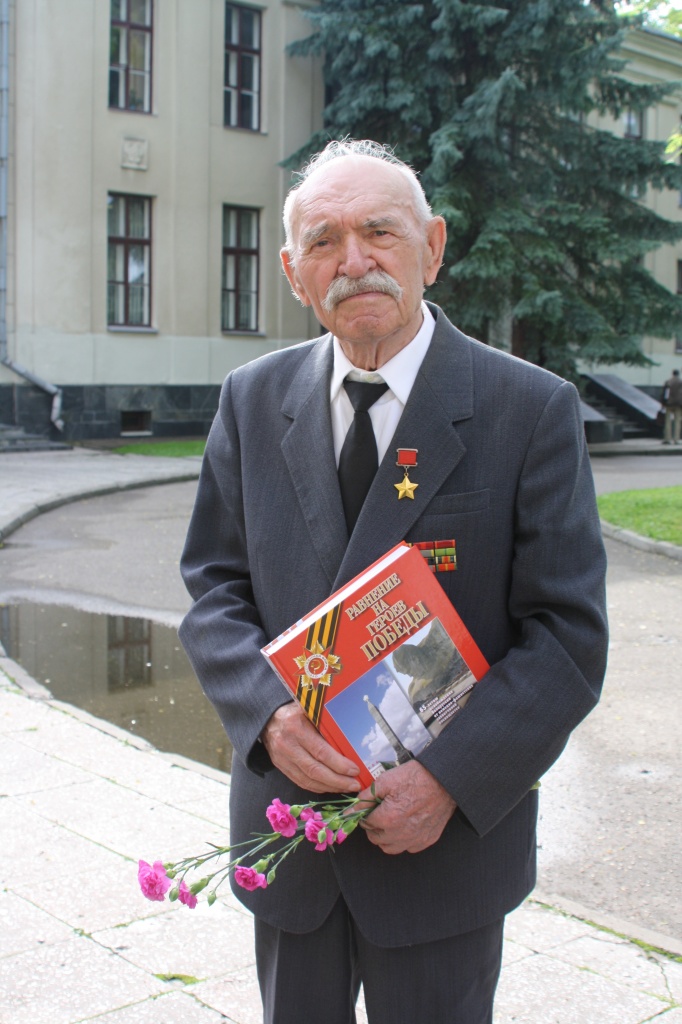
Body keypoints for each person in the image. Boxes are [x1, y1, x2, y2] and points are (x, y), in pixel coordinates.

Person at [179, 139, 608, 1024]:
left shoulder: (529, 409)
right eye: (326, 241)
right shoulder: (250, 401)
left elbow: (567, 639)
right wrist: (266, 710)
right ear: (295, 272)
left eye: (382, 231)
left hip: (440, 851)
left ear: (434, 247)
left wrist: (448, 779)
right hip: (291, 836)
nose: (356, 260)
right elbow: (214, 586)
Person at [661, 369, 682, 445]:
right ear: (678, 374)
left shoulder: (668, 382)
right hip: (679, 404)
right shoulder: (680, 382)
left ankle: (667, 439)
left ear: (672, 374)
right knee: (677, 422)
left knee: (668, 422)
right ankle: (676, 439)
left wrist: (663, 403)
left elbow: (664, 393)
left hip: (669, 404)